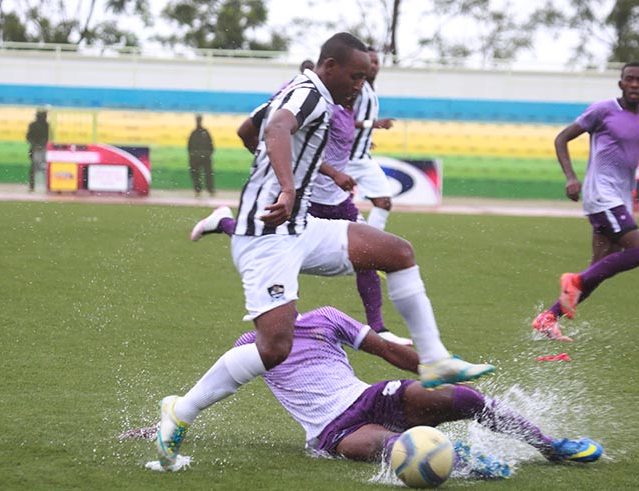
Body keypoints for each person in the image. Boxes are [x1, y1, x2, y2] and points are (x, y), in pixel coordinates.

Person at [155, 32, 494, 470]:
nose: (360, 85)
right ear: (329, 66)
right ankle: (181, 411)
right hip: (266, 235)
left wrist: (279, 171)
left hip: (302, 227)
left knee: (398, 252)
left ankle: (433, 360)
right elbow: (276, 128)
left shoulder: (305, 93)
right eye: (355, 76)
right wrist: (288, 185)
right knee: (275, 346)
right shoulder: (311, 93)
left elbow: (249, 129)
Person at [127, 306, 603, 478]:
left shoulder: (326, 318)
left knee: (462, 400)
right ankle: (464, 465)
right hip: (332, 431)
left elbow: (386, 351)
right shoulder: (250, 345)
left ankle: (551, 447)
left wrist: (439, 368)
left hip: (371, 395)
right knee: (394, 449)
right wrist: (168, 422)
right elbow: (214, 390)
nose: (274, 315)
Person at [196, 93, 413, 346]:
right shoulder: (301, 105)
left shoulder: (341, 106)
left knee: (366, 255)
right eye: (354, 76)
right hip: (309, 199)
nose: (357, 83)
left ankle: (378, 328)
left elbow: (345, 131)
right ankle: (225, 224)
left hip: (338, 200)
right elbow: (275, 139)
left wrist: (364, 135)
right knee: (268, 241)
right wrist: (330, 172)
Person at [531, 62, 639, 341]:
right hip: (601, 195)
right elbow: (562, 138)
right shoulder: (603, 110)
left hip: (621, 199)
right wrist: (570, 177)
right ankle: (573, 281)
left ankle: (548, 318)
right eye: (630, 79)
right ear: (621, 83)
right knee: (638, 252)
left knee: (598, 269)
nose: (635, 84)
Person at [347, 46, 396, 231]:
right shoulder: (355, 88)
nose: (374, 66)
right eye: (370, 62)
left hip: (362, 158)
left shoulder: (370, 89)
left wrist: (366, 138)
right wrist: (373, 124)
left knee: (383, 202)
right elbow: (341, 120)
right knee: (333, 208)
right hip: (345, 159)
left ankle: (372, 244)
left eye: (376, 62)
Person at [187, 114, 215, 196]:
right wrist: (193, 155)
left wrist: (207, 154)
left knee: (208, 174)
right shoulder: (195, 133)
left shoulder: (204, 132)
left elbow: (211, 145)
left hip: (204, 157)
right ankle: (198, 189)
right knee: (196, 174)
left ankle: (209, 189)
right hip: (196, 157)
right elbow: (189, 147)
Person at [26, 109, 49, 192]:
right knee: (36, 168)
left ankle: (46, 186)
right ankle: (33, 186)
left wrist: (41, 145)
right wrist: (36, 145)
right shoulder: (34, 125)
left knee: (44, 168)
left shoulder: (47, 125)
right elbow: (29, 137)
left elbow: (48, 138)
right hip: (36, 149)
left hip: (42, 149)